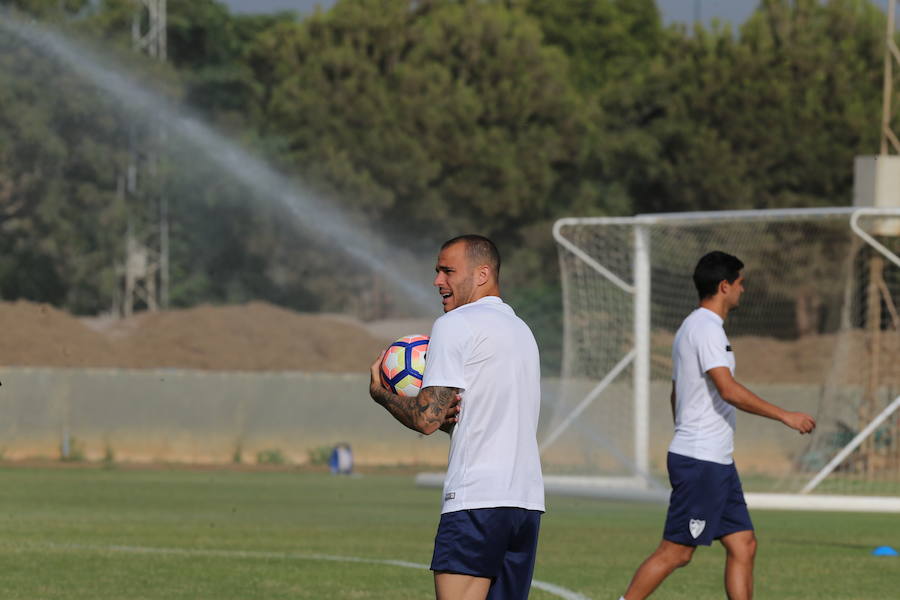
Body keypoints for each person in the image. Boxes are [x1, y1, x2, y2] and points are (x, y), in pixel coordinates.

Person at [618, 251, 816, 600]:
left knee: (744, 545)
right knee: (677, 552)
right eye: (740, 283)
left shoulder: (692, 326)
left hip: (717, 461)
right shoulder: (706, 328)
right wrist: (786, 415)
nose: (743, 290)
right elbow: (728, 390)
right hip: (701, 461)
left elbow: (677, 392)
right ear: (725, 286)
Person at [369, 234, 544, 600]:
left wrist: (381, 395)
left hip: (477, 500)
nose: (437, 281)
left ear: (482, 274)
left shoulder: (455, 324)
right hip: (525, 504)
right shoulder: (521, 330)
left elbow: (426, 420)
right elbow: (474, 416)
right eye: (436, 272)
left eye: (447, 271)